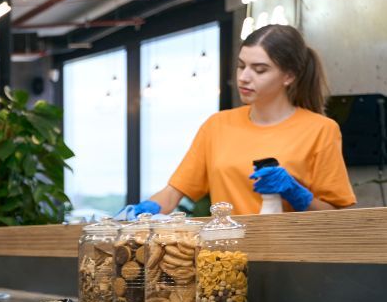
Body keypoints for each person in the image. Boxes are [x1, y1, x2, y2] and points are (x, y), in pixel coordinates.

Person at [124, 24, 355, 218]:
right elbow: (173, 193)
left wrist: (298, 195)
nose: (244, 78)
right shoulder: (217, 126)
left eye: (260, 70)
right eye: (241, 66)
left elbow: (340, 215)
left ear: (289, 76)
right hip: (225, 258)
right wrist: (144, 212)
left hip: (293, 260)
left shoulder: (320, 130)